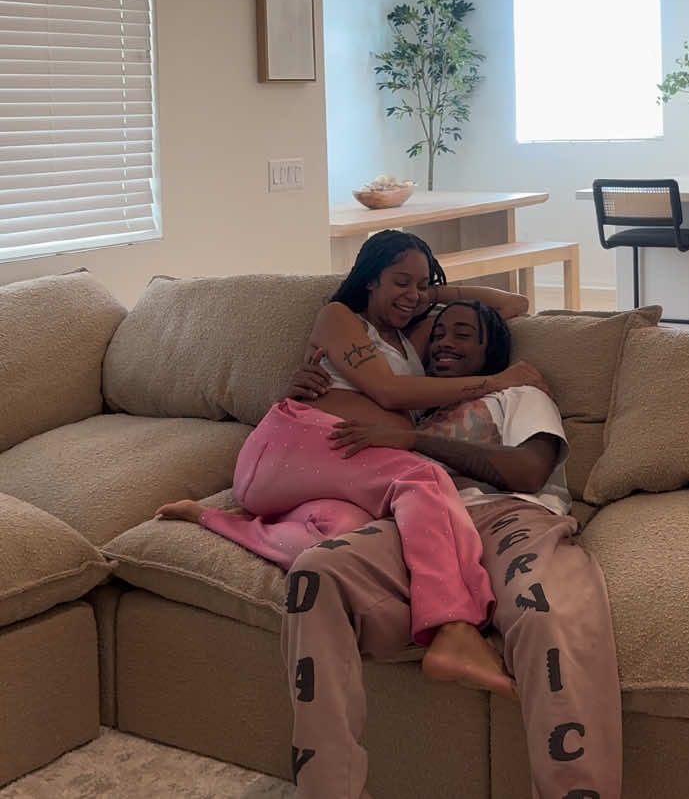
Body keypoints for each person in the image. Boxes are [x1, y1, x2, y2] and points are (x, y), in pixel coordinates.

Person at [157, 230, 543, 698]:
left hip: (329, 479)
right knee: (423, 477)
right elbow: (389, 392)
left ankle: (215, 519)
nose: (413, 295)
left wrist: (430, 293)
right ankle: (453, 627)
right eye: (400, 281)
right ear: (369, 280)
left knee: (344, 540)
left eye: (422, 284)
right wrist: (495, 381)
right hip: (292, 446)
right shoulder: (340, 317)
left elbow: (513, 304)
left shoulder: (411, 337)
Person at [283, 299, 623, 799]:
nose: (444, 342)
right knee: (315, 572)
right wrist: (300, 391)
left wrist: (414, 439)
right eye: (439, 334)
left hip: (509, 516)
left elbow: (528, 471)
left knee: (548, 613)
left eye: (463, 334)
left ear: (492, 353)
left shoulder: (518, 395)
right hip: (419, 523)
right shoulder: (408, 411)